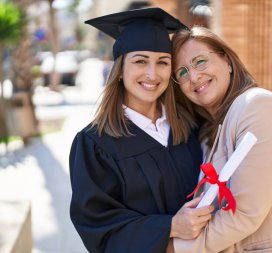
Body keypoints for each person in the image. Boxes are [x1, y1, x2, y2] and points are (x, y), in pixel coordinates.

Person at [69, 8, 214, 253]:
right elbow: (99, 229)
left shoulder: (191, 125)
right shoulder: (94, 144)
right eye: (140, 61)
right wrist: (169, 227)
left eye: (162, 62)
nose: (152, 74)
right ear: (119, 70)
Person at [169, 27, 272, 252]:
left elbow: (246, 213)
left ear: (227, 61)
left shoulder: (258, 106)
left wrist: (175, 248)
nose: (194, 76)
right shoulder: (211, 130)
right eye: (182, 73)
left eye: (200, 62)